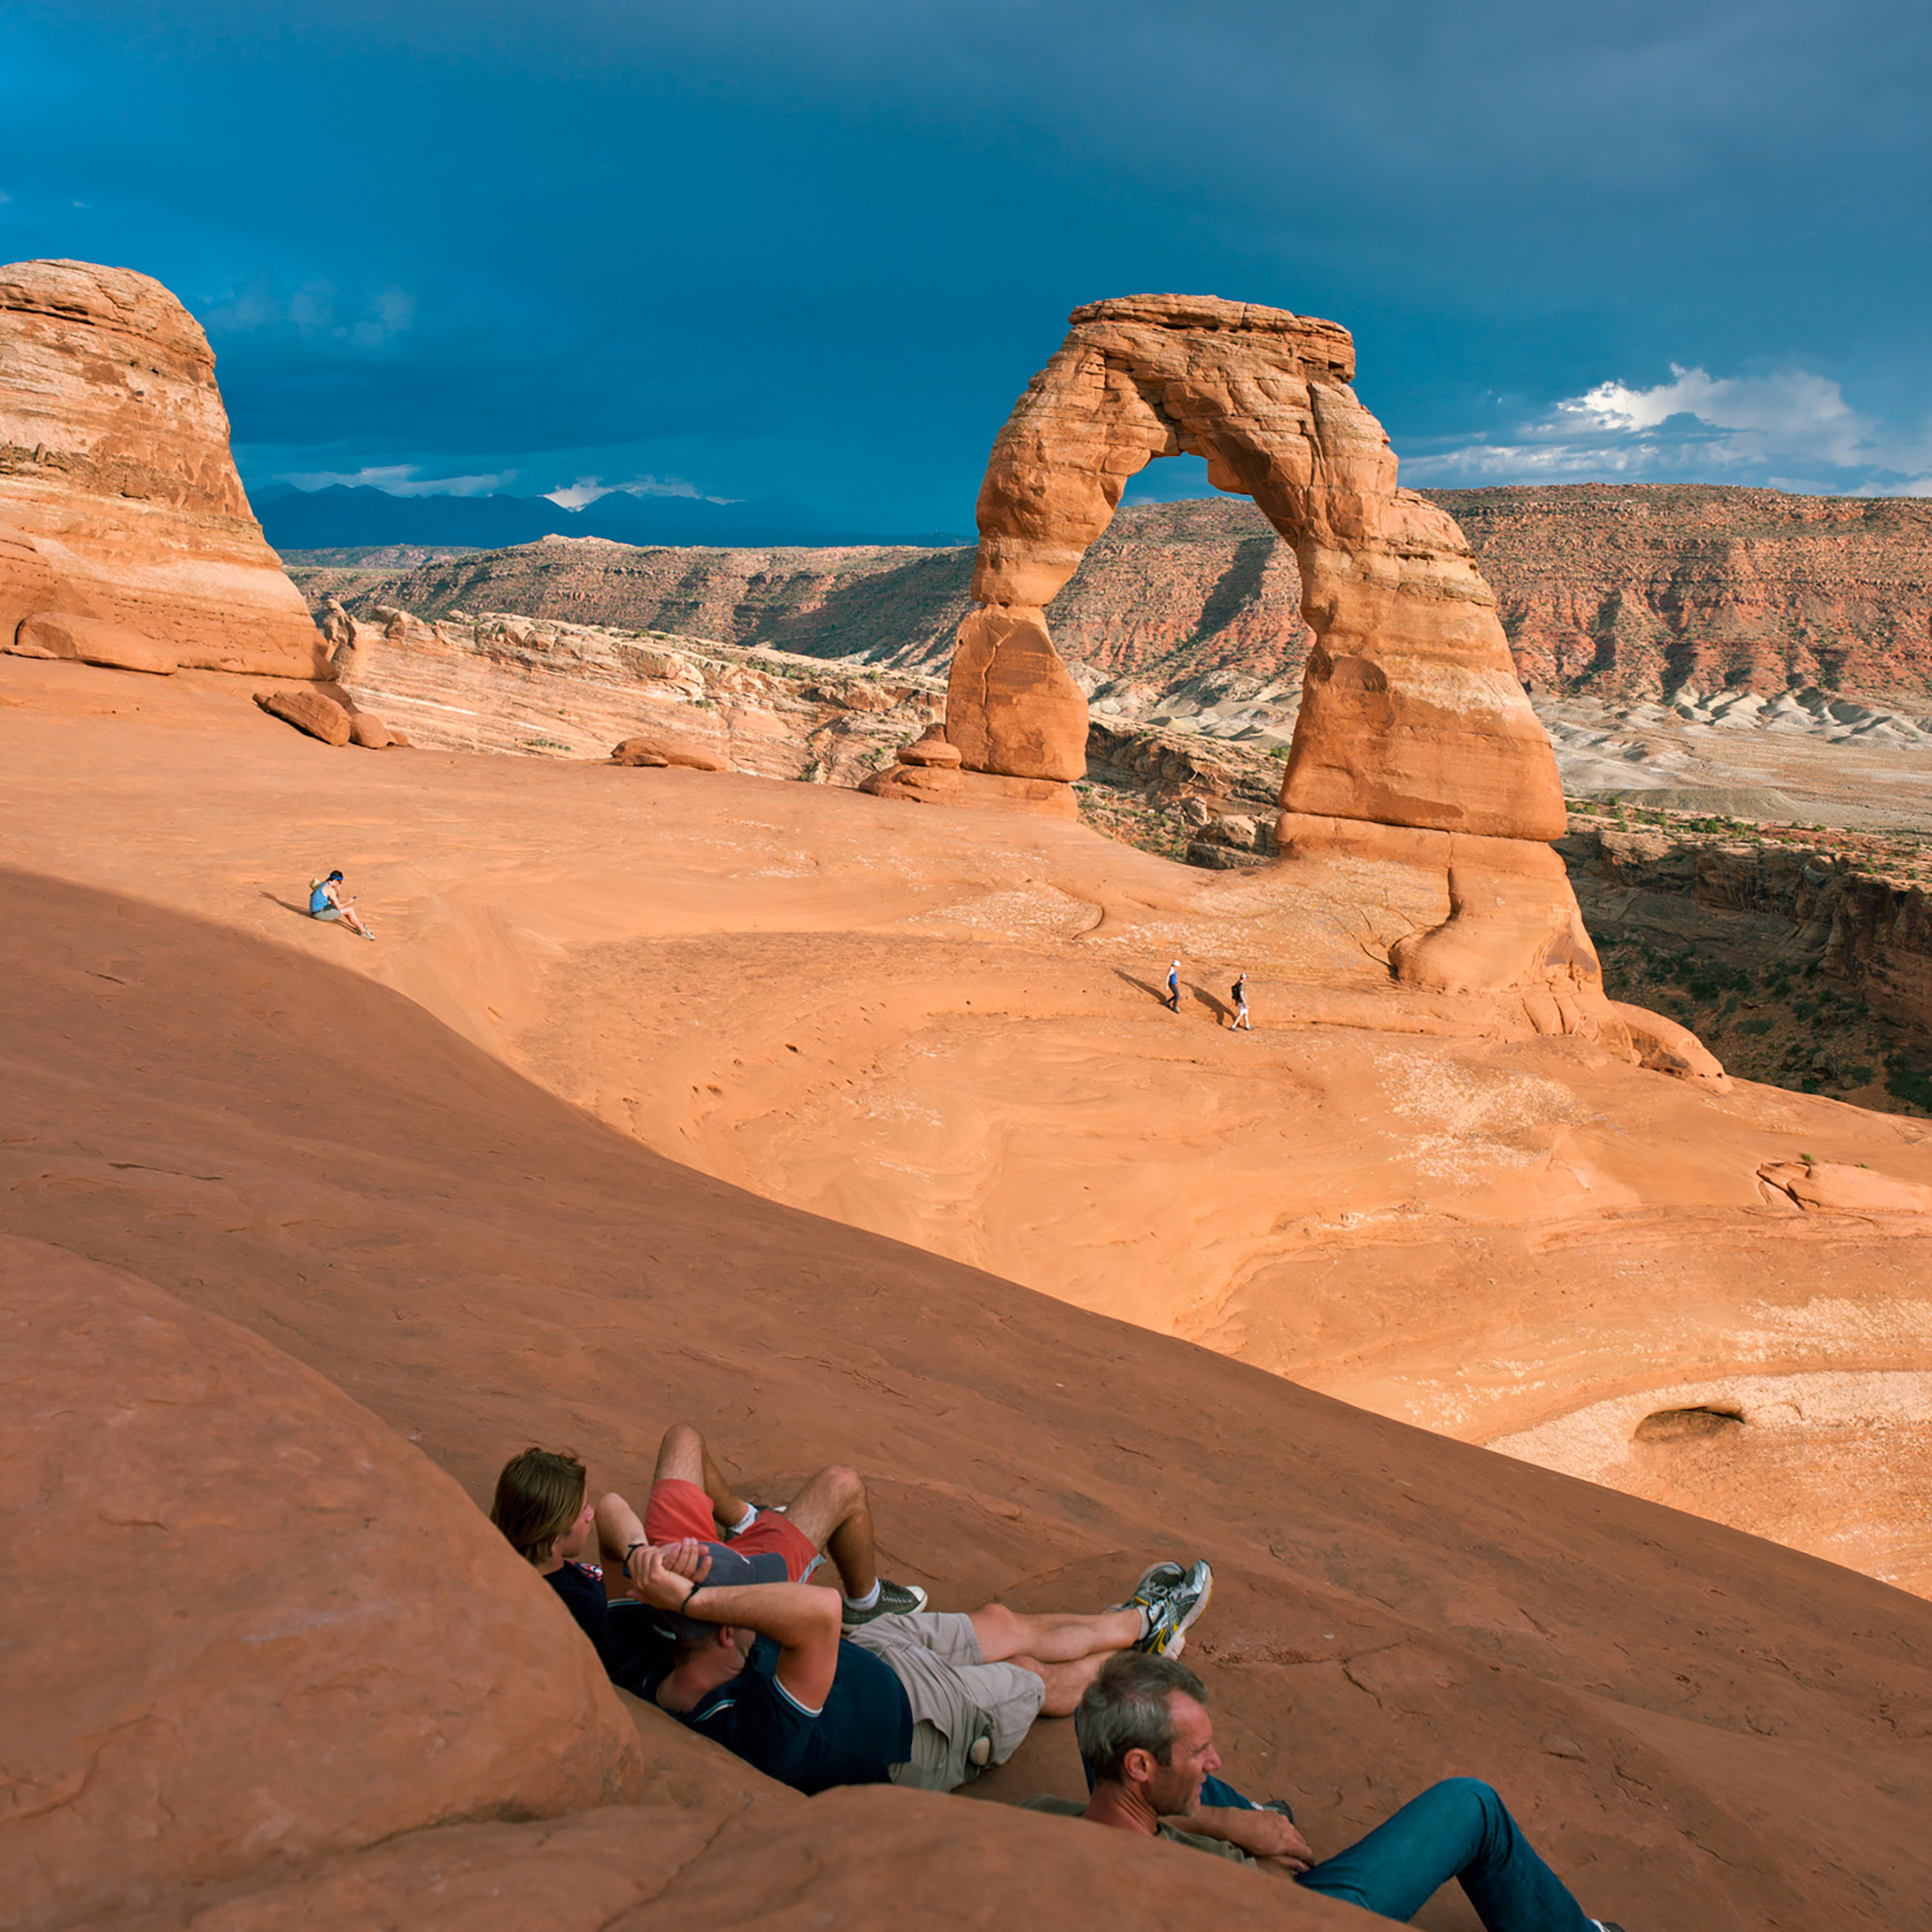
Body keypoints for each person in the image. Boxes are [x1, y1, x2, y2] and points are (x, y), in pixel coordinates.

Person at [1025, 1655, 1627, 1932]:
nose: (1217, 1758)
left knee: (1099, 1712)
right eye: (1201, 1749)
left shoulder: (1038, 1818)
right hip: (1309, 1911)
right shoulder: (1186, 1886)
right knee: (1470, 1806)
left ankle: (1256, 1813)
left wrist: (1226, 1824)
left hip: (1166, 1831)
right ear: (1140, 1767)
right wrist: (1259, 1859)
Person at [625, 1543, 1214, 1798]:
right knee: (1029, 1672)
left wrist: (643, 1560)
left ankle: (1141, 1622)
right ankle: (1138, 1657)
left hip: (867, 1653)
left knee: (1000, 1622)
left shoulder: (649, 1660)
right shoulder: (751, 1723)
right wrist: (691, 1600)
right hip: (920, 1728)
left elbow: (614, 1519)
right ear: (725, 1626)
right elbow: (820, 1610)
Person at [490, 1424, 928, 1690]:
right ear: (550, 1539)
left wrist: (644, 1554)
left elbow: (608, 1510)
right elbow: (678, 1631)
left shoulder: (509, 1560)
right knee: (841, 1485)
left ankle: (745, 1522)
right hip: (717, 1583)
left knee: (684, 1439)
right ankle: (865, 1605)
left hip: (666, 1558)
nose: (590, 1512)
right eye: (579, 1512)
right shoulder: (582, 1610)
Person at [308, 869, 375, 940]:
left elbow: (335, 902)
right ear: (335, 880)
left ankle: (360, 926)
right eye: (339, 882)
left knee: (347, 910)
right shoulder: (329, 889)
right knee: (349, 910)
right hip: (319, 914)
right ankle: (363, 932)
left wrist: (338, 892)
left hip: (317, 911)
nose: (339, 884)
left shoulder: (323, 884)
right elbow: (339, 907)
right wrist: (349, 902)